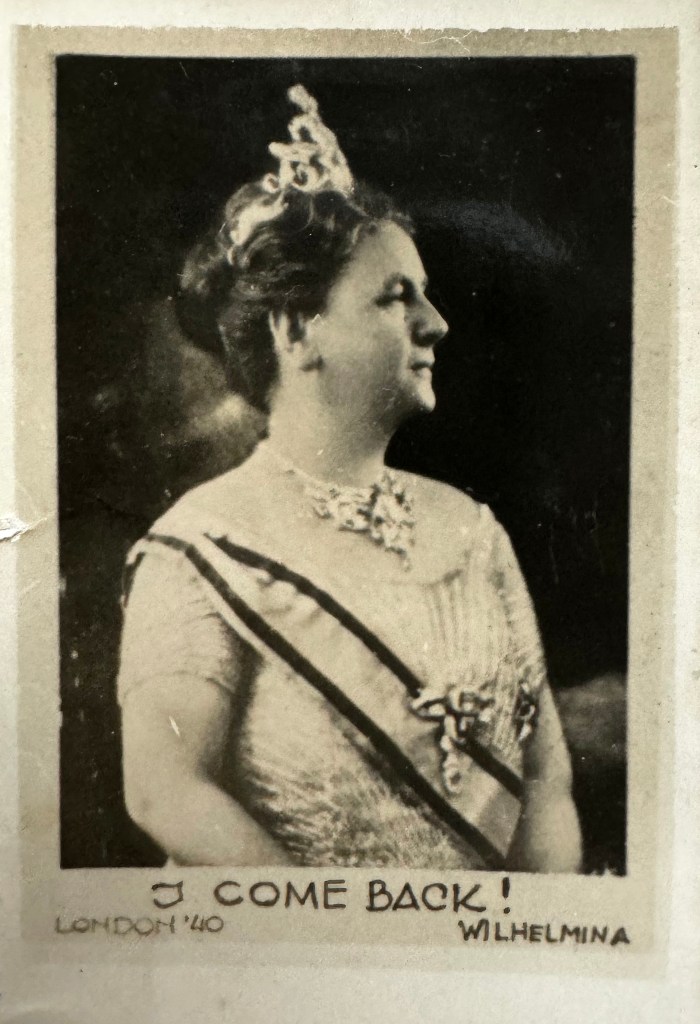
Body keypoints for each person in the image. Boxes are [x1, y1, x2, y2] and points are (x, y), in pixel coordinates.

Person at [118, 85, 582, 872]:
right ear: (298, 330)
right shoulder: (198, 548)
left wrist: (530, 935)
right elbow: (166, 792)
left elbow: (546, 783)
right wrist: (346, 936)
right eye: (397, 298)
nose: (435, 324)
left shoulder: (473, 530)